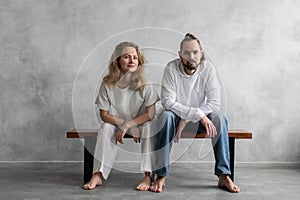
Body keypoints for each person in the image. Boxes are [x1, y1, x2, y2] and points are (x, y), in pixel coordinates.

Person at [150, 33, 241, 193]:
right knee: (165, 116)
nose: (191, 57)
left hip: (200, 121)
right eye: (186, 53)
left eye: (195, 52)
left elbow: (214, 103)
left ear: (201, 53)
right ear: (180, 55)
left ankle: (224, 175)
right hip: (175, 120)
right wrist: (193, 115)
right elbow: (167, 102)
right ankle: (161, 174)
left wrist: (194, 116)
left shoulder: (208, 69)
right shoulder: (171, 68)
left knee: (219, 118)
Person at [83, 41, 159, 191]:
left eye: (135, 57)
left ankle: (148, 175)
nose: (132, 61)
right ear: (117, 60)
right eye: (126, 57)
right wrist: (125, 124)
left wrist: (130, 125)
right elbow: (104, 115)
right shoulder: (107, 84)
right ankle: (98, 174)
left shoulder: (145, 84)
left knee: (150, 127)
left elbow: (150, 114)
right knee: (106, 127)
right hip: (118, 123)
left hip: (142, 122)